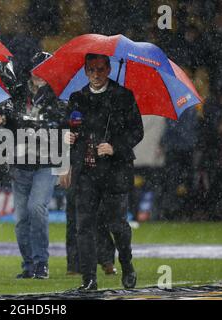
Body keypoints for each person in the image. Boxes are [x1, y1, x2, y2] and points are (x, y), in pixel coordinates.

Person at [63, 53, 144, 291]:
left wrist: (115, 146)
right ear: (85, 71)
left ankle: (127, 264)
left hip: (115, 171)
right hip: (86, 171)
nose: (96, 75)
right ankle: (89, 279)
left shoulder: (123, 96)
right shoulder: (77, 98)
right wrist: (68, 136)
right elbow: (70, 128)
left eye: (100, 69)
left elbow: (137, 131)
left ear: (108, 69)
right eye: (91, 70)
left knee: (117, 225)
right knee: (84, 227)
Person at [0, 52, 66, 279]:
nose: (42, 74)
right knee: (21, 218)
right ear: (32, 71)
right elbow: (5, 116)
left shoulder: (58, 98)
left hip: (46, 162)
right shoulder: (16, 94)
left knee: (36, 207)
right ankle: (28, 265)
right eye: (39, 69)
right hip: (20, 162)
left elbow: (63, 129)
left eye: (47, 69)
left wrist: (65, 164)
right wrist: (2, 118)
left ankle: (41, 262)